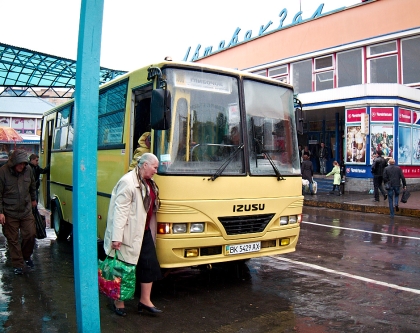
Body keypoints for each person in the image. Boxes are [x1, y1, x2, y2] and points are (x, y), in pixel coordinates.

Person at [104, 153, 162, 317]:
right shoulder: (128, 182)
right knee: (122, 269)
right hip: (127, 234)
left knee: (149, 265)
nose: (156, 171)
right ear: (145, 165)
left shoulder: (148, 182)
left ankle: (145, 301)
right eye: (155, 167)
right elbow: (120, 212)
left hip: (143, 232)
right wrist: (117, 237)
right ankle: (118, 302)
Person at [0, 149, 37, 275]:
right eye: (20, 163)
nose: (22, 166)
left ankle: (26, 256)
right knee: (13, 239)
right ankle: (18, 264)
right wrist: (1, 212)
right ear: (14, 162)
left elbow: (32, 186)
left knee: (30, 234)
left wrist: (33, 199)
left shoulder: (28, 170)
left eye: (24, 163)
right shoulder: (3, 172)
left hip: (26, 210)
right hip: (9, 211)